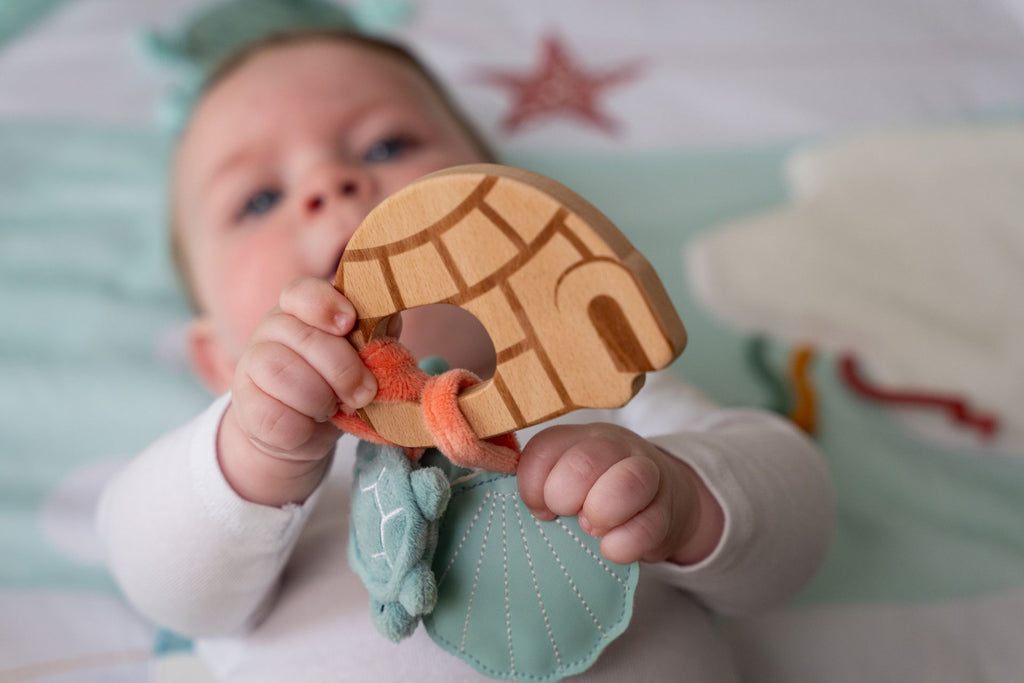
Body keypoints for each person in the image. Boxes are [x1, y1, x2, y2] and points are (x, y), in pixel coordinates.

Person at [97, 28, 833, 682]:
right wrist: (253, 449)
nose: (329, 184)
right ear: (215, 360)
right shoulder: (244, 484)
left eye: (386, 146)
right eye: (257, 200)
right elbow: (159, 580)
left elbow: (796, 526)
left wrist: (683, 499)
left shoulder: (606, 387)